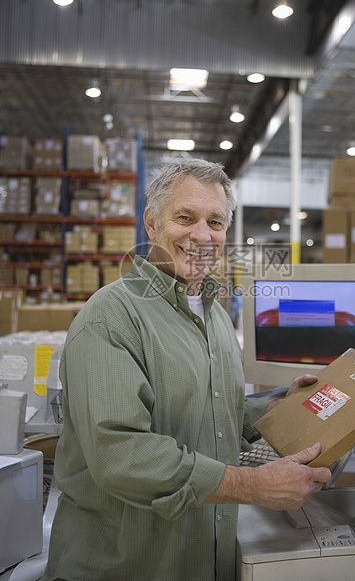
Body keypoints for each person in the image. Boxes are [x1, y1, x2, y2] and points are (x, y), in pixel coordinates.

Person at [41, 159, 331, 581]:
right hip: (126, 567)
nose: (202, 235)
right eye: (185, 217)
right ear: (152, 225)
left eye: (215, 222)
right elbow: (120, 455)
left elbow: (210, 413)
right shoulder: (112, 317)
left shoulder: (213, 315)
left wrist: (280, 405)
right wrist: (253, 485)